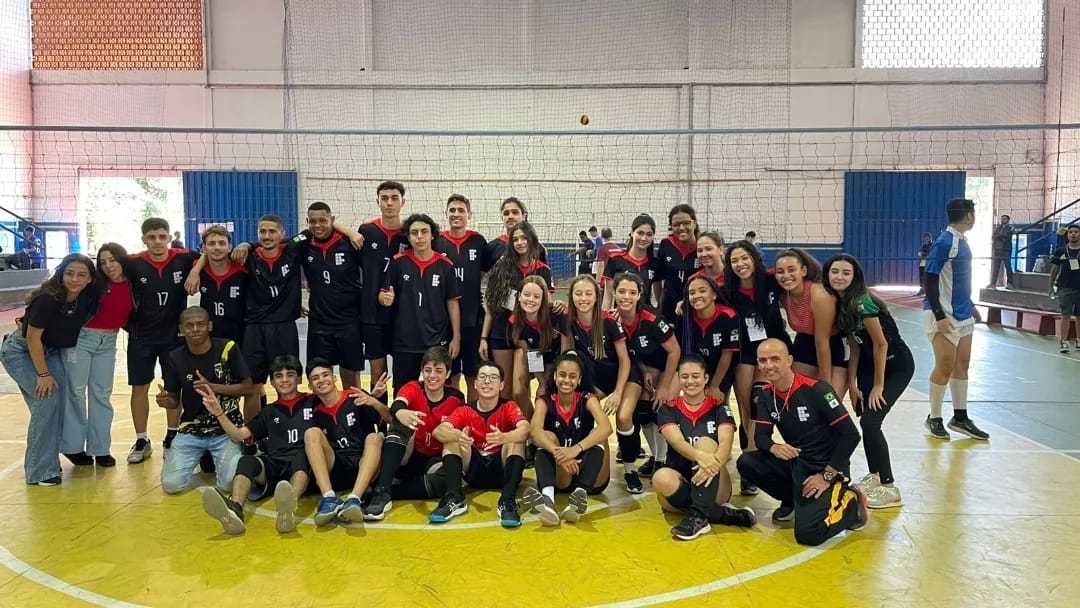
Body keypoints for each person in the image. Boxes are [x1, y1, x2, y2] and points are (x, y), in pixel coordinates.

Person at [736, 339, 869, 547]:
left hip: (827, 468)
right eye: (763, 360)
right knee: (747, 462)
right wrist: (775, 447)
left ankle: (853, 501)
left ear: (789, 360)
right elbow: (761, 437)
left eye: (774, 359)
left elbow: (851, 435)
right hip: (798, 464)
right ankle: (793, 499)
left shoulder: (817, 390)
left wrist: (826, 476)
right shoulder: (765, 395)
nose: (768, 365)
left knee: (808, 534)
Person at [824, 254, 914, 509]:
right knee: (866, 420)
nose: (839, 277)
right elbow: (855, 345)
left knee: (871, 422)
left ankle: (889, 487)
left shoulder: (862, 301)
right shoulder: (840, 303)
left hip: (895, 366)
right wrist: (852, 384)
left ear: (855, 277)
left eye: (846, 273)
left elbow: (880, 344)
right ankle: (874, 476)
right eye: (835, 271)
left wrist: (878, 385)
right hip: (867, 366)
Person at [1, 254, 97, 486]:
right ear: (61, 274)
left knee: (60, 401)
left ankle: (66, 447)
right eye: (69, 273)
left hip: (51, 351)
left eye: (81, 274)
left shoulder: (85, 298)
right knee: (47, 399)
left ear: (90, 279)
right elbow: (32, 338)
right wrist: (43, 375)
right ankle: (40, 470)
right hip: (21, 352)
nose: (74, 279)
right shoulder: (48, 299)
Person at [197, 355, 314, 535]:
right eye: (278, 376)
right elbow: (238, 435)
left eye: (290, 375)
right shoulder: (269, 412)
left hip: (304, 467)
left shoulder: (313, 402)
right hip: (275, 465)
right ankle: (236, 509)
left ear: (299, 378)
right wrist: (219, 412)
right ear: (272, 382)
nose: (284, 380)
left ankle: (288, 508)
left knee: (303, 455)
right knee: (247, 461)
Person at [654, 355, 757, 540]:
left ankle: (698, 517)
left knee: (706, 443)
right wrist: (701, 458)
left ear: (706, 378)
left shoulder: (720, 409)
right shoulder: (667, 409)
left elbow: (726, 443)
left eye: (695, 376)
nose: (690, 381)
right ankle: (719, 514)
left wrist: (711, 464)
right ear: (678, 378)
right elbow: (677, 442)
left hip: (715, 483)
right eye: (684, 376)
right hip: (679, 487)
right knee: (660, 477)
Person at [126, 218, 201, 464]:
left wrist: (195, 271)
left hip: (173, 337)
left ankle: (172, 436)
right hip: (141, 337)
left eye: (161, 236)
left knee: (173, 388)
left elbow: (206, 256)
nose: (157, 242)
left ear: (169, 238)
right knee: (139, 388)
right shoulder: (133, 262)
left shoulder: (183, 258)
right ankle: (141, 439)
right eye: (152, 237)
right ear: (144, 240)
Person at [562, 274, 644, 493]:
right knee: (584, 410)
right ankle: (581, 461)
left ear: (596, 297)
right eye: (578, 294)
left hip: (625, 377)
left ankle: (629, 470)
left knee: (623, 417)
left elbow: (625, 361)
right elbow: (566, 356)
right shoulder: (568, 321)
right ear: (571, 296)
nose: (583, 298)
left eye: (588, 294)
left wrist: (617, 392)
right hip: (597, 380)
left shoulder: (608, 321)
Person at [157, 307, 252, 495]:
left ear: (210, 326)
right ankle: (204, 456)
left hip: (226, 429)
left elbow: (248, 388)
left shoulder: (228, 348)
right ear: (181, 330)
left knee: (229, 484)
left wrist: (213, 387)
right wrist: (166, 401)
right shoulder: (174, 357)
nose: (195, 329)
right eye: (189, 325)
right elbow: (174, 401)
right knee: (171, 485)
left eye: (200, 324)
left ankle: (213, 457)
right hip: (191, 430)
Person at [363, 346, 465, 520]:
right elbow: (398, 404)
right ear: (422, 371)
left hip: (433, 459)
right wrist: (401, 412)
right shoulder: (413, 387)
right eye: (428, 370)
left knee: (449, 478)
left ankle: (387, 491)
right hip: (408, 454)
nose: (432, 376)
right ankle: (382, 493)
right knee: (400, 423)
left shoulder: (456, 398)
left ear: (448, 374)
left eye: (438, 371)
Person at [723, 239, 789, 495]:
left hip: (770, 349)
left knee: (760, 400)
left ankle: (759, 459)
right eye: (734, 260)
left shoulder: (771, 281)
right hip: (744, 352)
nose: (740, 264)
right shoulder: (728, 289)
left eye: (744, 258)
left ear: (754, 258)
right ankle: (749, 465)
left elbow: (798, 280)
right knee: (745, 407)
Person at [429, 361, 530, 528]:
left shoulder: (508, 406)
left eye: (493, 378)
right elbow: (438, 431)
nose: (487, 381)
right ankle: (455, 497)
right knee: (451, 439)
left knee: (516, 440)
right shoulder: (465, 409)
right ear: (475, 384)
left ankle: (507, 500)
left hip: (501, 469)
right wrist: (458, 435)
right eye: (482, 377)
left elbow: (526, 429)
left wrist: (504, 437)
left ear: (501, 385)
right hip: (474, 469)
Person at [61, 244, 133, 468]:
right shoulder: (95, 284)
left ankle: (101, 449)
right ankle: (73, 447)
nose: (109, 266)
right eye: (103, 262)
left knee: (101, 394)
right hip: (82, 340)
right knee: (76, 392)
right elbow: (63, 294)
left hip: (108, 342)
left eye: (113, 260)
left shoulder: (133, 283)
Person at [923, 198, 989, 441]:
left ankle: (960, 418)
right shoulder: (944, 242)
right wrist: (939, 315)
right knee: (945, 365)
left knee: (962, 364)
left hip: (962, 313)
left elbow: (959, 280)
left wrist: (971, 305)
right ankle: (934, 418)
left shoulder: (962, 241)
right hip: (943, 313)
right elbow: (929, 280)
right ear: (968, 216)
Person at [521, 352, 612, 527]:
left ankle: (580, 495)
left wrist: (575, 450)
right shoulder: (544, 401)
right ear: (555, 376)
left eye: (572, 376)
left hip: (590, 473)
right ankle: (548, 500)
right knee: (546, 437)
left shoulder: (588, 398)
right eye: (562, 375)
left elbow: (607, 427)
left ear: (579, 380)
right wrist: (561, 454)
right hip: (562, 473)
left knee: (599, 435)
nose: (566, 380)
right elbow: (535, 432)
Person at [380, 213, 461, 388]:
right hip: (405, 342)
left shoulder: (446, 265)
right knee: (403, 391)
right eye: (414, 232)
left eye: (424, 231)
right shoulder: (397, 262)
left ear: (432, 235)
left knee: (438, 390)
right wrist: (384, 299)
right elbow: (383, 294)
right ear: (408, 237)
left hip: (436, 341)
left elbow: (453, 304)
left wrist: (456, 337)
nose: (419, 237)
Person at [611, 272, 680, 478]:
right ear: (613, 293)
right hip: (648, 369)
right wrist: (644, 371)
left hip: (671, 367)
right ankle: (656, 456)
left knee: (661, 407)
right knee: (643, 413)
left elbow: (675, 352)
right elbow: (632, 352)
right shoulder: (613, 320)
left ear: (639, 295)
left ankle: (663, 460)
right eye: (622, 291)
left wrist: (665, 386)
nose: (626, 297)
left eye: (632, 292)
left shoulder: (652, 319)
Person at [305, 358, 388, 526]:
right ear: (310, 386)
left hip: (365, 465)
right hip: (337, 468)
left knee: (375, 438)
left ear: (334, 378)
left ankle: (354, 499)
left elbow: (390, 420)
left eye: (325, 375)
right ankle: (329, 498)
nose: (321, 380)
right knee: (311, 433)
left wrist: (374, 401)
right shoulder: (313, 410)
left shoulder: (355, 396)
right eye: (315, 378)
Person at [480, 221, 556, 403]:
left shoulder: (542, 270)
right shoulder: (502, 267)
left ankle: (531, 419)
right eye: (515, 239)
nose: (520, 242)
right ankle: (514, 420)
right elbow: (491, 308)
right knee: (505, 390)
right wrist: (483, 338)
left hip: (528, 338)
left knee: (521, 389)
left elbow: (547, 304)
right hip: (502, 333)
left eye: (524, 238)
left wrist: (556, 305)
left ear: (532, 239)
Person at [298, 202, 365, 389]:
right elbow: (280, 247)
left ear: (332, 220)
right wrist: (248, 245)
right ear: (307, 222)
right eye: (312, 221)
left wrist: (349, 232)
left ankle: (352, 408)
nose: (317, 225)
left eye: (323, 220)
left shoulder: (349, 242)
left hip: (349, 322)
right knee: (319, 376)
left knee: (350, 376)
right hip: (319, 323)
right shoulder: (303, 242)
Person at [358, 181, 411, 400]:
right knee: (378, 373)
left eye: (394, 198)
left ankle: (399, 418)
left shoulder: (410, 233)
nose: (389, 203)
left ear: (403, 202)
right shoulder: (366, 231)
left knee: (403, 373)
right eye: (384, 198)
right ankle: (378, 417)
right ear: (378, 201)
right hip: (372, 315)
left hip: (403, 316)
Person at [434, 194, 489, 399]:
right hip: (443, 321)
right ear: (446, 213)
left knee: (473, 374)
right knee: (450, 374)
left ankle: (473, 413)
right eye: (452, 210)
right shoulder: (437, 241)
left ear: (469, 214)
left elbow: (483, 272)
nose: (456, 214)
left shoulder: (478, 241)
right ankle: (454, 412)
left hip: (472, 318)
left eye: (461, 210)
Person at [775, 248, 848, 398]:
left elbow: (822, 342)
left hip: (834, 344)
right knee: (796, 396)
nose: (786, 276)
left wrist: (825, 382)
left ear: (803, 271)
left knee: (830, 400)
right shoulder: (783, 294)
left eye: (791, 270)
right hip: (805, 342)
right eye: (780, 271)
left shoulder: (819, 295)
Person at [508, 275, 564, 418]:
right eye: (526, 295)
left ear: (543, 299)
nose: (531, 300)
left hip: (556, 359)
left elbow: (565, 352)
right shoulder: (516, 322)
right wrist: (541, 381)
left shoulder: (556, 315)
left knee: (543, 393)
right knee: (519, 391)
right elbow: (532, 355)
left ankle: (549, 423)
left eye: (536, 296)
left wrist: (548, 381)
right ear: (519, 296)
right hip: (536, 358)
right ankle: (531, 421)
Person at [683, 275, 740, 404]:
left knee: (716, 402)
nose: (696, 295)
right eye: (692, 293)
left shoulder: (729, 317)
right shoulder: (686, 315)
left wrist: (714, 386)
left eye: (702, 291)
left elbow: (727, 354)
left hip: (722, 369)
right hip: (697, 367)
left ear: (714, 295)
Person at [197, 225, 247, 346]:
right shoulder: (197, 269)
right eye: (211, 244)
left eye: (222, 243)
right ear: (204, 248)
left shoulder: (244, 269)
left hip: (241, 337)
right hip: (210, 339)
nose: (217, 247)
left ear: (230, 247)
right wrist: (194, 271)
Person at [602, 214, 661, 309]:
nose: (644, 238)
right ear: (632, 233)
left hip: (645, 315)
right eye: (640, 233)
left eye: (649, 234)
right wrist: (605, 317)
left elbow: (659, 299)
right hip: (621, 314)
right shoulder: (615, 260)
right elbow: (608, 297)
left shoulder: (655, 264)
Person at [657, 204, 700, 327]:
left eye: (686, 223)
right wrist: (660, 301)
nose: (681, 228)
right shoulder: (666, 244)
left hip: (696, 305)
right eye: (676, 225)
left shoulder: (702, 246)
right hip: (668, 307)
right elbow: (658, 277)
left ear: (694, 223)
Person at [485, 197, 548, 264]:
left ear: (524, 216)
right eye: (506, 213)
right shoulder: (492, 247)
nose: (510, 216)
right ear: (502, 218)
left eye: (515, 212)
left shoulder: (537, 248)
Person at [1049, 225, 1080, 353]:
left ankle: (1079, 340)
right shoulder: (1061, 251)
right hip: (1065, 287)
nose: (1073, 234)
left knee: (1079, 315)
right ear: (1067, 235)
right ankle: (1064, 341)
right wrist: (1050, 286)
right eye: (1070, 232)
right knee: (1066, 314)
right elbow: (1054, 269)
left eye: (1076, 232)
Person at [989, 214, 1015, 288]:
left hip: (1006, 250)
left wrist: (999, 236)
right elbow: (993, 237)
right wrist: (1001, 236)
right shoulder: (997, 228)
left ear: (1008, 220)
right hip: (998, 249)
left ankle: (1010, 283)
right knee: (996, 267)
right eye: (1002, 218)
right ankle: (993, 284)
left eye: (1004, 219)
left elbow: (1007, 237)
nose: (1002, 220)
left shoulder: (1010, 228)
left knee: (1008, 266)